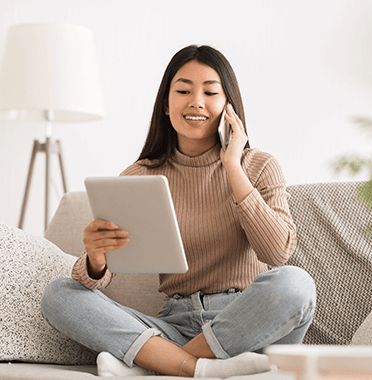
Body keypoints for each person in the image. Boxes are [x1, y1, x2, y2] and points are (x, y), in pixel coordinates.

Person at [41, 45, 316, 378]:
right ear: (166, 105)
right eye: (183, 90)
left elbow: (278, 252)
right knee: (60, 294)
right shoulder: (141, 175)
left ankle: (165, 364)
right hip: (174, 323)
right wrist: (96, 259)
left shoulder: (258, 166)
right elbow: (103, 276)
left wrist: (233, 167)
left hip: (246, 325)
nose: (196, 102)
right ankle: (202, 368)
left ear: (229, 105)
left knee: (296, 284)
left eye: (210, 92)